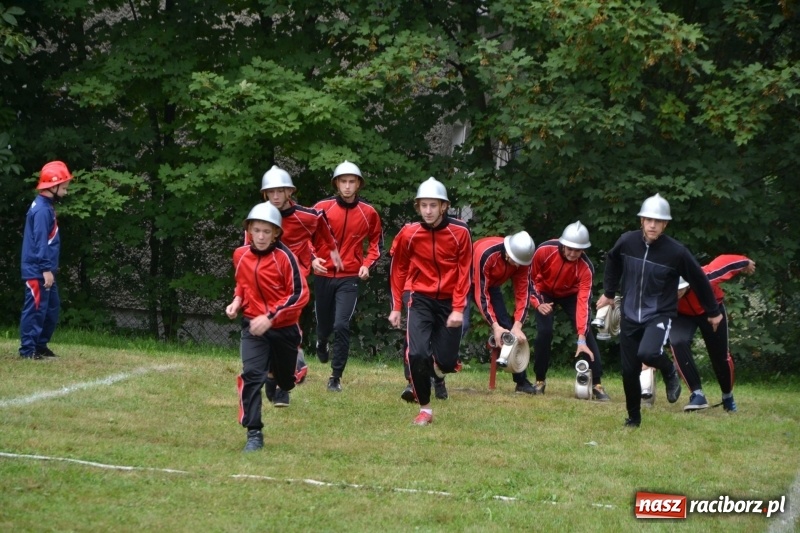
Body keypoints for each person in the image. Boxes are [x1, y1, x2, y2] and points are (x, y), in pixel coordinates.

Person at [596, 194, 722, 428]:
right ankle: (633, 418)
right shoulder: (627, 242)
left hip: (659, 314)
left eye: (658, 221)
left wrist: (712, 311)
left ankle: (669, 369)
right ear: (642, 221)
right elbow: (612, 261)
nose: (652, 225)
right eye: (648, 220)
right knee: (629, 371)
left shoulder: (676, 252)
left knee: (648, 353)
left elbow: (699, 279)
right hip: (630, 314)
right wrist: (609, 293)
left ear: (665, 224)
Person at [226, 202, 309, 452]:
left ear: (276, 233)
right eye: (256, 230)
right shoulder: (240, 255)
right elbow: (243, 283)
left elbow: (299, 295)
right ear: (249, 230)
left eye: (266, 231)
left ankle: (285, 372)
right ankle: (254, 433)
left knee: (287, 381)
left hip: (283, 327)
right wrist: (237, 301)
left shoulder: (286, 258)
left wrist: (271, 317)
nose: (261, 236)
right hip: (253, 324)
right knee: (251, 375)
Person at [388, 177, 472, 426]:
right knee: (417, 353)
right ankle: (425, 408)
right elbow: (398, 269)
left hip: (449, 301)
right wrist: (396, 306)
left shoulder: (460, 232)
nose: (427, 211)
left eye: (433, 206)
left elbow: (464, 271)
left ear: (443, 206)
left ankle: (435, 371)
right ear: (418, 207)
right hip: (420, 297)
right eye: (423, 205)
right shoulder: (409, 233)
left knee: (446, 362)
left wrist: (458, 309)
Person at [256, 165, 344, 402]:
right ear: (265, 194)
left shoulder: (306, 216)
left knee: (285, 323)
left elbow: (323, 226)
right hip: (266, 279)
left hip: (294, 280)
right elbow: (248, 245)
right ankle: (292, 364)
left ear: (289, 192)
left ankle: (289, 371)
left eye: (280, 191)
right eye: (271, 192)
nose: (275, 196)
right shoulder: (260, 218)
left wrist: (332, 250)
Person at [312, 161, 383, 392]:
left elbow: (376, 244)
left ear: (359, 184)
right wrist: (313, 259)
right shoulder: (322, 208)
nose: (348, 186)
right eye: (343, 181)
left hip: (349, 276)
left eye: (352, 181)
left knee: (341, 324)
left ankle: (335, 377)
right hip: (323, 274)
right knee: (324, 324)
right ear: (336, 184)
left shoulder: (369, 213)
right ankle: (321, 341)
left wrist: (366, 265)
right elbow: (305, 237)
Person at [529, 222, 610, 400]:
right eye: (570, 249)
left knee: (587, 332)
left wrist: (580, 337)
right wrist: (537, 303)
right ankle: (540, 380)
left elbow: (583, 302)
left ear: (584, 250)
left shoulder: (586, 268)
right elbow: (529, 280)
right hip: (544, 292)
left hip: (570, 294)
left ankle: (597, 384)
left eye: (578, 250)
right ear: (563, 244)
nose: (573, 253)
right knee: (545, 331)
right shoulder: (544, 250)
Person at [671, 255, 756, 413]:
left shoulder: (705, 276)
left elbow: (724, 262)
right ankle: (697, 394)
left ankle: (727, 396)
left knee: (720, 357)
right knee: (677, 342)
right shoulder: (662, 284)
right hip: (682, 315)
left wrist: (745, 262)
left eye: (679, 289)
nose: (676, 294)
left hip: (711, 311)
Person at [389, 223, 451, 403]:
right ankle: (412, 383)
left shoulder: (448, 234)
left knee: (437, 336)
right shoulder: (407, 231)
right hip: (412, 288)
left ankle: (439, 379)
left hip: (439, 291)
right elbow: (395, 261)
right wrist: (396, 304)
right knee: (413, 338)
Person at [19, 161, 74, 360]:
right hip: (38, 270)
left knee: (50, 309)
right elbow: (40, 242)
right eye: (64, 187)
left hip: (43, 268)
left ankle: (40, 345)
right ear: (53, 186)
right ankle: (28, 350)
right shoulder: (42, 210)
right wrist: (45, 269)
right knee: (35, 309)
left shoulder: (46, 206)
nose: (66, 191)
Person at [472, 231, 537, 394]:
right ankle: (435, 376)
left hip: (491, 285)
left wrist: (517, 325)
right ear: (508, 251)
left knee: (508, 330)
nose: (516, 266)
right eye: (515, 261)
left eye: (520, 263)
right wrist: (494, 326)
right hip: (465, 282)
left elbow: (523, 293)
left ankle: (521, 383)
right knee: (458, 325)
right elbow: (481, 294)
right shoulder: (486, 254)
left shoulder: (523, 261)